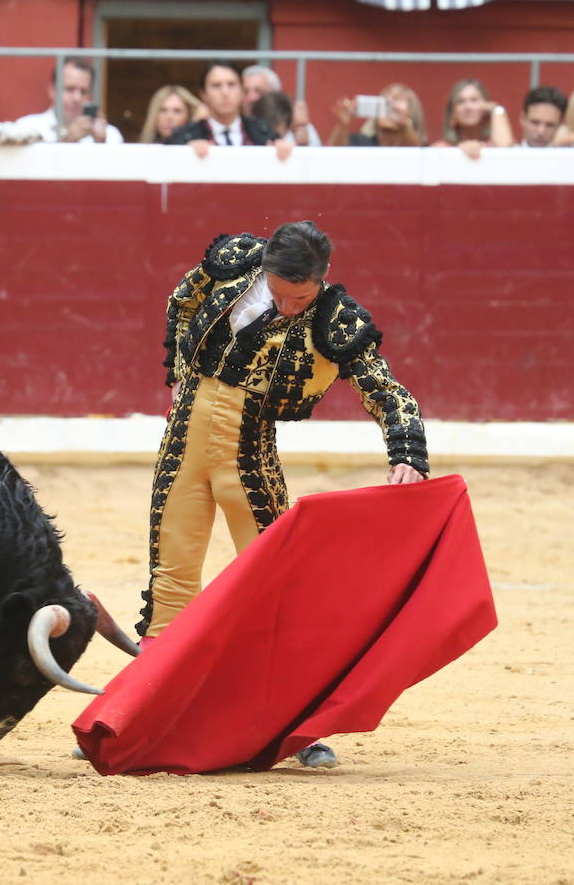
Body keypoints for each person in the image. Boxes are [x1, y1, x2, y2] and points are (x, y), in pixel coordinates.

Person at [136, 222, 427, 769]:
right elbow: (181, 301)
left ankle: (297, 729)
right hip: (183, 441)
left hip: (249, 450)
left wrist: (407, 452)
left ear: (322, 280)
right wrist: (177, 372)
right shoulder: (234, 260)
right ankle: (140, 717)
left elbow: (385, 389)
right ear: (264, 268)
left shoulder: (337, 319)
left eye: (302, 297)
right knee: (170, 583)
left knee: (277, 589)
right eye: (280, 294)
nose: (291, 307)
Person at [164, 61, 289, 161]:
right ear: (203, 94)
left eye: (231, 84)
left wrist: (284, 151)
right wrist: (186, 155)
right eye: (216, 85)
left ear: (241, 91)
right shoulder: (184, 137)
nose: (225, 93)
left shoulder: (264, 132)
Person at [14, 58, 123, 144]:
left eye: (84, 91)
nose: (77, 98)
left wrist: (101, 145)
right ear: (52, 90)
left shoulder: (110, 134)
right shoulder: (27, 128)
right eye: (69, 89)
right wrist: (67, 142)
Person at [433, 78, 514, 159]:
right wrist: (459, 152)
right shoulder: (441, 149)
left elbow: (505, 148)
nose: (468, 107)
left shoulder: (494, 146)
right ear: (452, 113)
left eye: (474, 100)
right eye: (460, 101)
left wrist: (495, 109)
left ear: (486, 106)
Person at [242, 64, 321, 145]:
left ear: (275, 95)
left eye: (259, 91)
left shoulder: (298, 126)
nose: (250, 98)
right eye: (245, 92)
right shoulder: (235, 127)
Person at [327, 82, 426, 146]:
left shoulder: (421, 146)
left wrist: (403, 126)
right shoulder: (362, 142)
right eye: (385, 104)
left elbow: (415, 150)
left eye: (396, 101)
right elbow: (334, 157)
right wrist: (342, 126)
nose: (390, 109)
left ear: (411, 113)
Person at [138, 84, 203, 144]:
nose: (169, 117)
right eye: (163, 110)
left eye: (177, 111)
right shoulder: (141, 151)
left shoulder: (198, 148)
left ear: (189, 115)